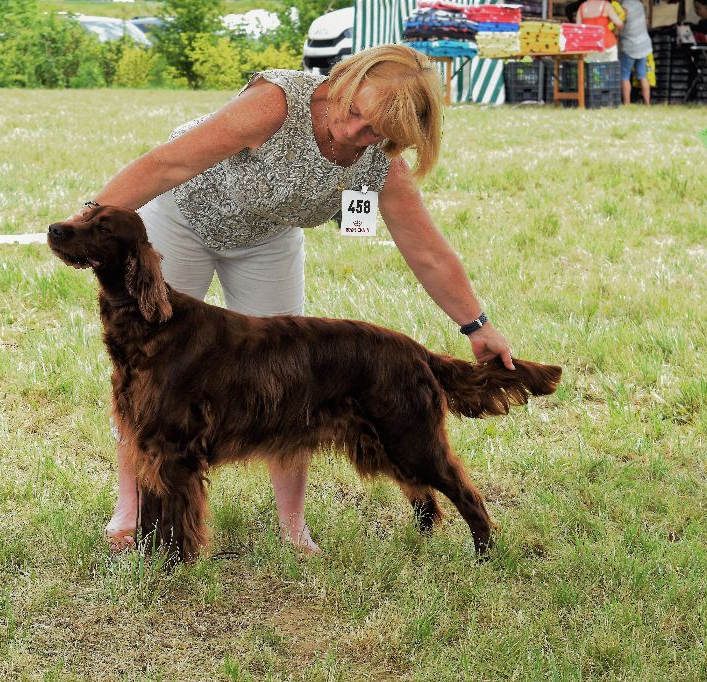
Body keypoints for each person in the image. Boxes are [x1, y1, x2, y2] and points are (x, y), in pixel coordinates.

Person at [70, 44, 515, 555]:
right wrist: (88, 220)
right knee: (152, 380)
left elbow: (428, 252)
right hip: (181, 218)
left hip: (266, 239)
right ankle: (131, 510)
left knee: (290, 382)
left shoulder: (381, 164)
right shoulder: (276, 103)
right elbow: (167, 165)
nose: (354, 132)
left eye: (375, 131)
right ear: (344, 81)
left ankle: (293, 526)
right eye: (353, 112)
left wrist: (476, 325)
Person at [619, 0, 652, 104]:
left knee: (624, 76)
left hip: (630, 45)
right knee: (642, 75)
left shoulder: (623, 8)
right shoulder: (639, 4)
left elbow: (619, 25)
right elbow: (645, 22)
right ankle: (647, 104)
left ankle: (627, 104)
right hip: (643, 44)